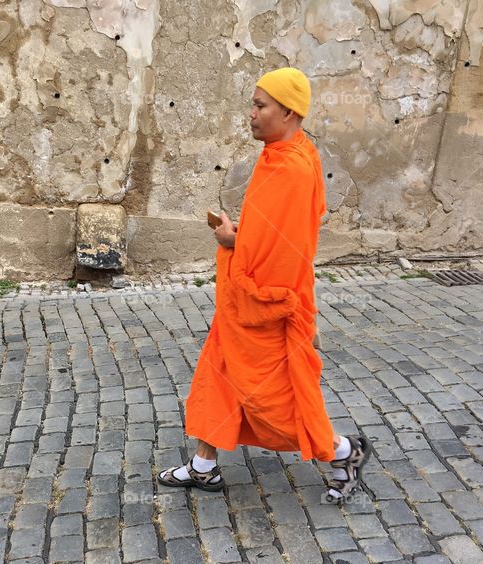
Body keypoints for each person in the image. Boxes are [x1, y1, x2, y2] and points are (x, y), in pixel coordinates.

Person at [157, 67, 371, 503]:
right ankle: (203, 466)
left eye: (260, 106)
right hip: (245, 301)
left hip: (268, 305)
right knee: (217, 374)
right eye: (253, 104)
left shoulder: (292, 168)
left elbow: (284, 252)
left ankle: (344, 452)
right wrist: (241, 239)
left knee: (273, 402)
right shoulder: (286, 153)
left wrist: (230, 242)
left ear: (289, 111)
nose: (251, 114)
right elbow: (267, 235)